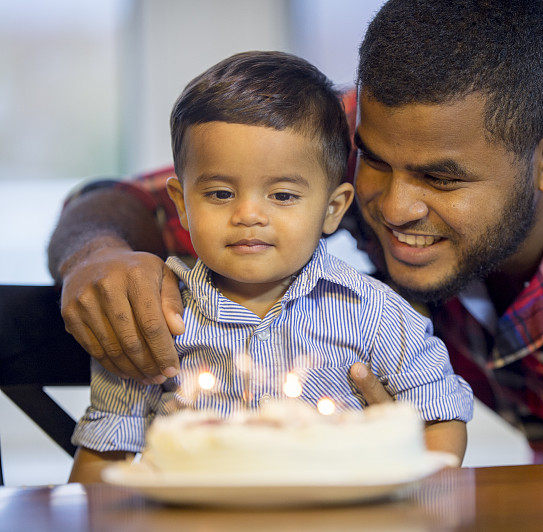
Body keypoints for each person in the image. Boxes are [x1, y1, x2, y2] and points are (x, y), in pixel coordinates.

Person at [51, 0, 543, 462]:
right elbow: (129, 200)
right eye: (372, 160)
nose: (393, 207)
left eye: (441, 179)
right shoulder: (387, 132)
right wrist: (96, 254)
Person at [67, 51, 473, 484]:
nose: (248, 214)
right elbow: (106, 451)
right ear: (182, 204)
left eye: (281, 196)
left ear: (334, 209)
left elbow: (439, 415)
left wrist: (420, 499)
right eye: (221, 194)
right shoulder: (154, 318)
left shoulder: (376, 314)